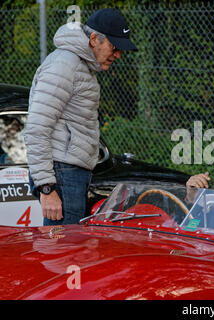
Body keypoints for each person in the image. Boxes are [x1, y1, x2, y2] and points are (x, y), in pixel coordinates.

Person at [24, 8, 137, 225]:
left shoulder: (78, 65)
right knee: (64, 251)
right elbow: (37, 127)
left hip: (68, 173)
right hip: (62, 174)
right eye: (115, 47)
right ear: (94, 39)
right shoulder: (65, 65)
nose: (118, 55)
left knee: (69, 250)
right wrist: (47, 188)